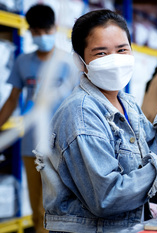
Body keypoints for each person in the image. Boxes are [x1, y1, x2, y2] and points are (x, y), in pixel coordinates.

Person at [33, 9, 157, 232]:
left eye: (121, 50)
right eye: (101, 53)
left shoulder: (125, 102)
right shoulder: (81, 113)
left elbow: (151, 151)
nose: (115, 60)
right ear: (80, 61)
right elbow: (106, 198)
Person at [0, 4, 75, 233]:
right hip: (31, 145)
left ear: (55, 28)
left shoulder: (70, 63)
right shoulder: (23, 62)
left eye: (46, 30)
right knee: (38, 209)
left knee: (65, 208)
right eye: (37, 31)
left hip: (63, 145)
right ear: (30, 31)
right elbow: (12, 100)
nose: (42, 36)